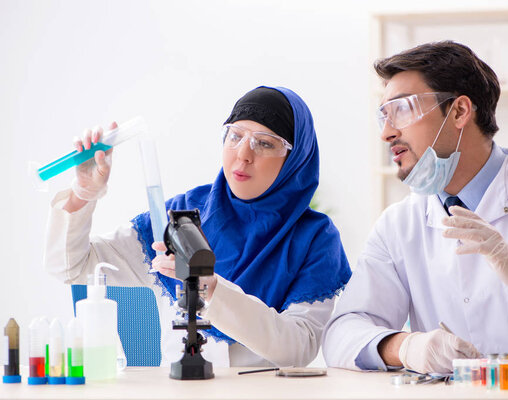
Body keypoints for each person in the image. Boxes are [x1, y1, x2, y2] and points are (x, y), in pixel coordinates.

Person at [322, 41, 508, 373]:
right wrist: (408, 347)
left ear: (459, 111)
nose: (386, 132)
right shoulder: (398, 224)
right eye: (383, 115)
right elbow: (341, 332)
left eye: (402, 109)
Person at [44, 86, 351, 367]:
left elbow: (298, 347)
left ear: (294, 159)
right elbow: (71, 267)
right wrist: (81, 196)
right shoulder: (181, 215)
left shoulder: (314, 238)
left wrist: (212, 289)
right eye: (235, 135)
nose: (243, 155)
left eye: (264, 143)